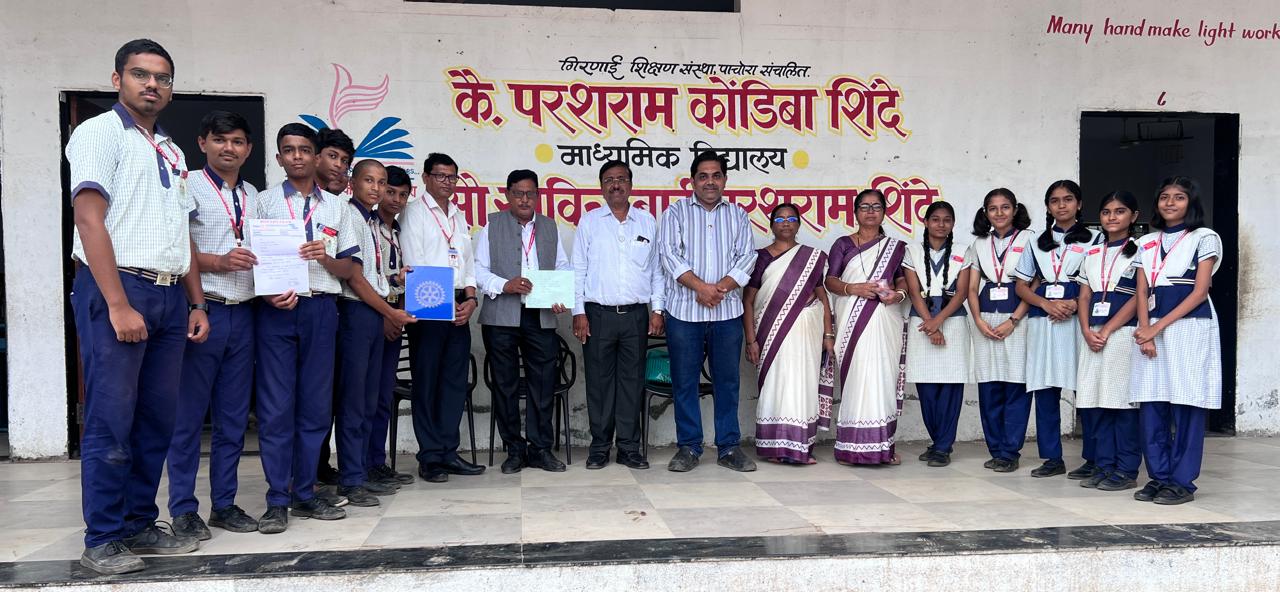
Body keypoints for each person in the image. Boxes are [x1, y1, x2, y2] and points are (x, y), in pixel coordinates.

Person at [68, 39, 209, 575]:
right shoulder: (99, 133)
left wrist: (196, 302)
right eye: (140, 74)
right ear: (117, 79)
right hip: (120, 288)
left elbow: (181, 232)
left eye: (162, 78)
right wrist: (118, 303)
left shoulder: (171, 149)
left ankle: (138, 523)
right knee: (111, 418)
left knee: (156, 419)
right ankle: (102, 539)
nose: (152, 84)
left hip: (170, 295)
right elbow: (89, 219)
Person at [252, 123, 361, 533]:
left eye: (304, 149)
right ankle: (277, 499)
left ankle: (305, 493)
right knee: (276, 407)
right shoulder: (263, 203)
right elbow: (251, 258)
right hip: (276, 311)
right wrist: (267, 295)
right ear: (279, 158)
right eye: (288, 150)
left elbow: (350, 268)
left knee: (315, 407)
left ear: (316, 157)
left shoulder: (337, 208)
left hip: (320, 308)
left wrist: (325, 258)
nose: (297, 156)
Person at [166, 110, 259, 541]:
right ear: (202, 143)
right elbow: (176, 249)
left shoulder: (254, 196)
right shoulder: (187, 186)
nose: (229, 148)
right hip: (204, 311)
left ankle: (224, 504)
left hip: (247, 313)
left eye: (237, 141)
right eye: (220, 140)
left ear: (248, 149)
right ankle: (184, 508)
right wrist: (217, 265)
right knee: (188, 416)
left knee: (233, 418)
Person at [658, 151, 758, 473]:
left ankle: (729, 447)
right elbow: (669, 255)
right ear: (692, 181)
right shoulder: (674, 213)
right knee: (684, 383)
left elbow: (747, 258)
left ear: (725, 180)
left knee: (727, 383)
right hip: (684, 314)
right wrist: (701, 287)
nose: (710, 182)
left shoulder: (739, 215)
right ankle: (689, 447)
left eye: (716, 175)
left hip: (726, 314)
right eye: (703, 176)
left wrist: (720, 288)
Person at [1130, 176, 1223, 505]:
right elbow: (1142, 289)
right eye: (1164, 197)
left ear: (1191, 202)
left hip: (1189, 327)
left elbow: (1200, 291)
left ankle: (1182, 482)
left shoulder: (1204, 237)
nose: (1170, 203)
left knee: (1186, 401)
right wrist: (1145, 329)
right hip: (1151, 328)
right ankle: (1159, 476)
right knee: (1152, 401)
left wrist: (1156, 329)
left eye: (1179, 197)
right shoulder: (1146, 242)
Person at [333, 160, 417, 507]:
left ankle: (368, 468)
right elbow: (354, 278)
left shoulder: (372, 221)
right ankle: (352, 478)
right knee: (354, 401)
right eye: (370, 180)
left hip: (376, 310)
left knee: (372, 399)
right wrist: (389, 311)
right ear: (352, 182)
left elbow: (374, 274)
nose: (377, 189)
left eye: (381, 183)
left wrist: (395, 281)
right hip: (357, 312)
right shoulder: (348, 216)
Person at [571, 160, 665, 470]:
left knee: (632, 382)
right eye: (609, 180)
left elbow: (656, 271)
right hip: (597, 315)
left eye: (621, 179)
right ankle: (599, 447)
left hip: (636, 316)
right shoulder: (589, 222)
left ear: (631, 185)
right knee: (599, 384)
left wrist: (657, 310)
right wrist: (578, 311)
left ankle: (628, 448)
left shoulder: (647, 222)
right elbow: (578, 269)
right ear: (601, 187)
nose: (615, 185)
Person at [398, 153, 486, 482]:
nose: (447, 182)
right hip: (428, 302)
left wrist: (471, 299)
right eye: (440, 176)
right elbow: (414, 262)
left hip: (459, 304)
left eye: (452, 177)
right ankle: (430, 456)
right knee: (428, 382)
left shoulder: (458, 215)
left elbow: (468, 263)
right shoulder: (413, 213)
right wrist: (444, 303)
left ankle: (449, 452)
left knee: (453, 383)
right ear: (425, 178)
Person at [476, 169, 571, 473]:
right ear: (508, 195)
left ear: (538, 196)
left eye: (530, 193)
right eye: (518, 193)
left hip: (540, 315)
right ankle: (514, 450)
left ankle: (540, 449)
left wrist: (560, 295)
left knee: (542, 383)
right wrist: (505, 284)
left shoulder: (550, 226)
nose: (525, 199)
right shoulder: (492, 225)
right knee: (504, 384)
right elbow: (478, 270)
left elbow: (562, 267)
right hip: (501, 316)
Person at [1013, 180, 1102, 478]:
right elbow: (1021, 286)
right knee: (1044, 390)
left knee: (1085, 389)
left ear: (1079, 204)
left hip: (1079, 320)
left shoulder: (1096, 239)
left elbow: (1103, 280)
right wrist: (1046, 304)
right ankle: (1052, 457)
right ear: (1048, 206)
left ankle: (1094, 457)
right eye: (1054, 200)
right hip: (1044, 320)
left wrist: (1076, 303)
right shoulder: (1036, 241)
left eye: (1068, 199)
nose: (1061, 205)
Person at [742, 203, 833, 464]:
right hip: (770, 335)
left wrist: (828, 335)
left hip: (806, 336)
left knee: (802, 386)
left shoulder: (812, 257)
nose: (785, 223)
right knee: (776, 386)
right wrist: (751, 340)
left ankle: (799, 446)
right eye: (780, 219)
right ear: (771, 225)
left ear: (799, 224)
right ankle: (774, 447)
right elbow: (748, 300)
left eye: (791, 219)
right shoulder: (759, 258)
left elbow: (822, 298)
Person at [825, 189, 910, 466]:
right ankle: (850, 448)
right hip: (852, 319)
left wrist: (898, 295)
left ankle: (883, 448)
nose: (870, 211)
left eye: (876, 206)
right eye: (864, 206)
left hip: (884, 319)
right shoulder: (842, 244)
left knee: (882, 380)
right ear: (855, 212)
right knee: (857, 378)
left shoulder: (896, 247)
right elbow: (830, 281)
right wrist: (854, 288)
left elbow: (902, 280)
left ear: (885, 212)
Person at [1076, 191, 1142, 491]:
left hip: (1122, 334)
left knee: (1121, 402)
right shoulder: (1091, 253)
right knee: (1095, 401)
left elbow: (1139, 297)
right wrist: (1086, 329)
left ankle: (1126, 469)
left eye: (1120, 211)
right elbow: (1084, 296)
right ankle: (1103, 465)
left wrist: (1108, 329)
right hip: (1092, 335)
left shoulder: (1142, 251)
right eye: (1106, 212)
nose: (1112, 217)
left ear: (1134, 216)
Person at [965, 189, 1034, 473]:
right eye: (992, 208)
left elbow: (1035, 283)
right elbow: (971, 287)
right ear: (985, 212)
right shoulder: (980, 243)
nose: (999, 213)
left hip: (1018, 318)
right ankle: (996, 450)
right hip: (986, 319)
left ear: (1015, 209)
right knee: (990, 386)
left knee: (1016, 385)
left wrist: (1014, 320)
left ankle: (1010, 451)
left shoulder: (1030, 240)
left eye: (1005, 207)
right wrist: (978, 320)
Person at [902, 201, 973, 467]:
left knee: (951, 387)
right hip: (922, 322)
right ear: (926, 222)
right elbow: (913, 291)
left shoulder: (963, 252)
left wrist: (939, 321)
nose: (941, 224)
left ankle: (944, 446)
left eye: (946, 220)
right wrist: (930, 323)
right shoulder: (911, 252)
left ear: (953, 224)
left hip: (953, 323)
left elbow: (962, 292)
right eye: (935, 219)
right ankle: (937, 441)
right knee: (927, 388)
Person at [364, 165, 414, 486]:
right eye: (390, 191)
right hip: (373, 317)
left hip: (394, 317)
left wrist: (397, 314)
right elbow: (363, 278)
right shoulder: (366, 227)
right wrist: (384, 315)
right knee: (365, 397)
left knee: (383, 394)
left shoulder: (398, 232)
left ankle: (376, 462)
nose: (395, 199)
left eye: (402, 195)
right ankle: (360, 466)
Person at [315, 127, 356, 485]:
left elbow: (349, 267)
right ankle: (300, 474)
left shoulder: (339, 208)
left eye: (344, 161)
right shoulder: (275, 201)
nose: (338, 166)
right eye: (332, 156)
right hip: (287, 307)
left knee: (327, 395)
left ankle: (320, 465)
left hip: (333, 308)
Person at [316, 128, 354, 195]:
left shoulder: (332, 200)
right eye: (333, 156)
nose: (339, 164)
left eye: (344, 161)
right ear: (316, 157)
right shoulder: (297, 191)